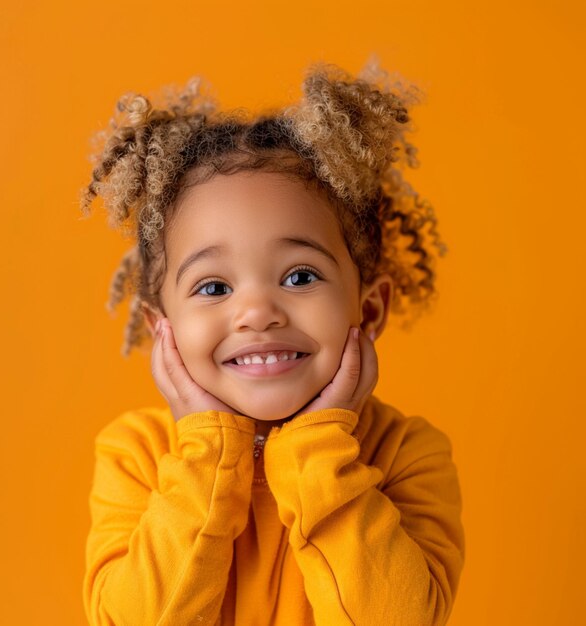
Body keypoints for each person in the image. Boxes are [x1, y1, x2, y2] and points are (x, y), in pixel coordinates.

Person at [79, 55, 465, 626]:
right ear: (164, 330)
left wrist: (318, 449)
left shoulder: (407, 456)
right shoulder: (135, 455)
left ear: (370, 307)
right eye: (213, 286)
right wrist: (207, 453)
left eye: (300, 276)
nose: (257, 311)